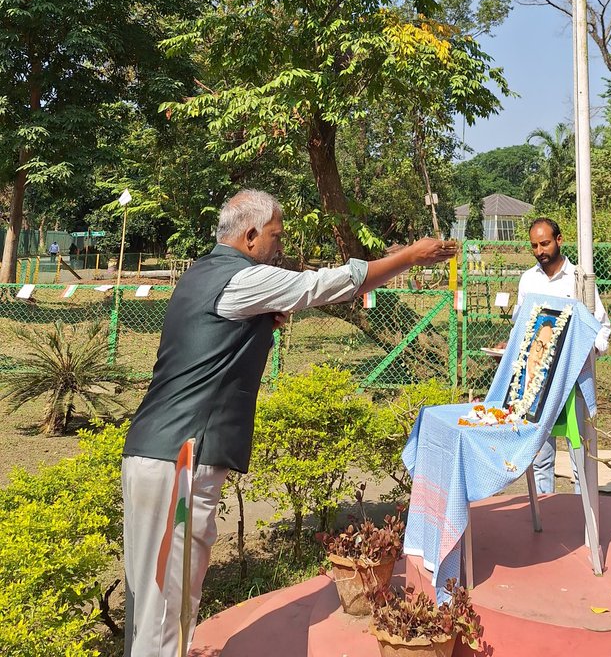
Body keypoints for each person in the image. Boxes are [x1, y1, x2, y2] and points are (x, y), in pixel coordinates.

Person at [121, 188, 457, 657]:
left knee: (152, 597)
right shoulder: (243, 278)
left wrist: (260, 326)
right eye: (276, 236)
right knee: (166, 610)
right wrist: (410, 256)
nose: (280, 246)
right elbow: (323, 286)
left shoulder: (202, 273)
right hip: (182, 459)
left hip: (152, 450)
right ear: (252, 234)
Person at [516, 216, 611, 493]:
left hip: (573, 380)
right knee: (540, 455)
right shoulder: (527, 280)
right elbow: (520, 324)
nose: (539, 251)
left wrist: (587, 350)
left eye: (544, 243)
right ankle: (546, 512)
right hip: (537, 381)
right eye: (534, 246)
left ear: (559, 240)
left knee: (580, 454)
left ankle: (584, 520)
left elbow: (602, 328)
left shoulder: (578, 280)